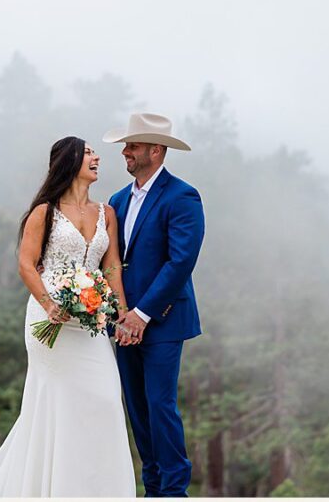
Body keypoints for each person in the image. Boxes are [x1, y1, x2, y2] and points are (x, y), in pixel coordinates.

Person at [0, 135, 136, 497]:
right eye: (89, 153)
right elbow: (26, 265)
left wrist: (120, 312)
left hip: (91, 326)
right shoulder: (44, 211)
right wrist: (49, 303)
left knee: (106, 400)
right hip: (51, 323)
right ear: (69, 161)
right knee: (59, 408)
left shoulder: (106, 213)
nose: (97, 158)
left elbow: (111, 270)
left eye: (95, 153)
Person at [105, 112, 205, 497]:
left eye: (132, 146)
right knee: (137, 411)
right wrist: (119, 313)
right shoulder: (117, 200)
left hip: (163, 321)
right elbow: (112, 262)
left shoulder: (183, 196)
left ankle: (175, 491)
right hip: (122, 322)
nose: (125, 153)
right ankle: (153, 488)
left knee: (160, 406)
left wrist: (142, 314)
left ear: (156, 150)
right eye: (126, 146)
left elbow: (180, 261)